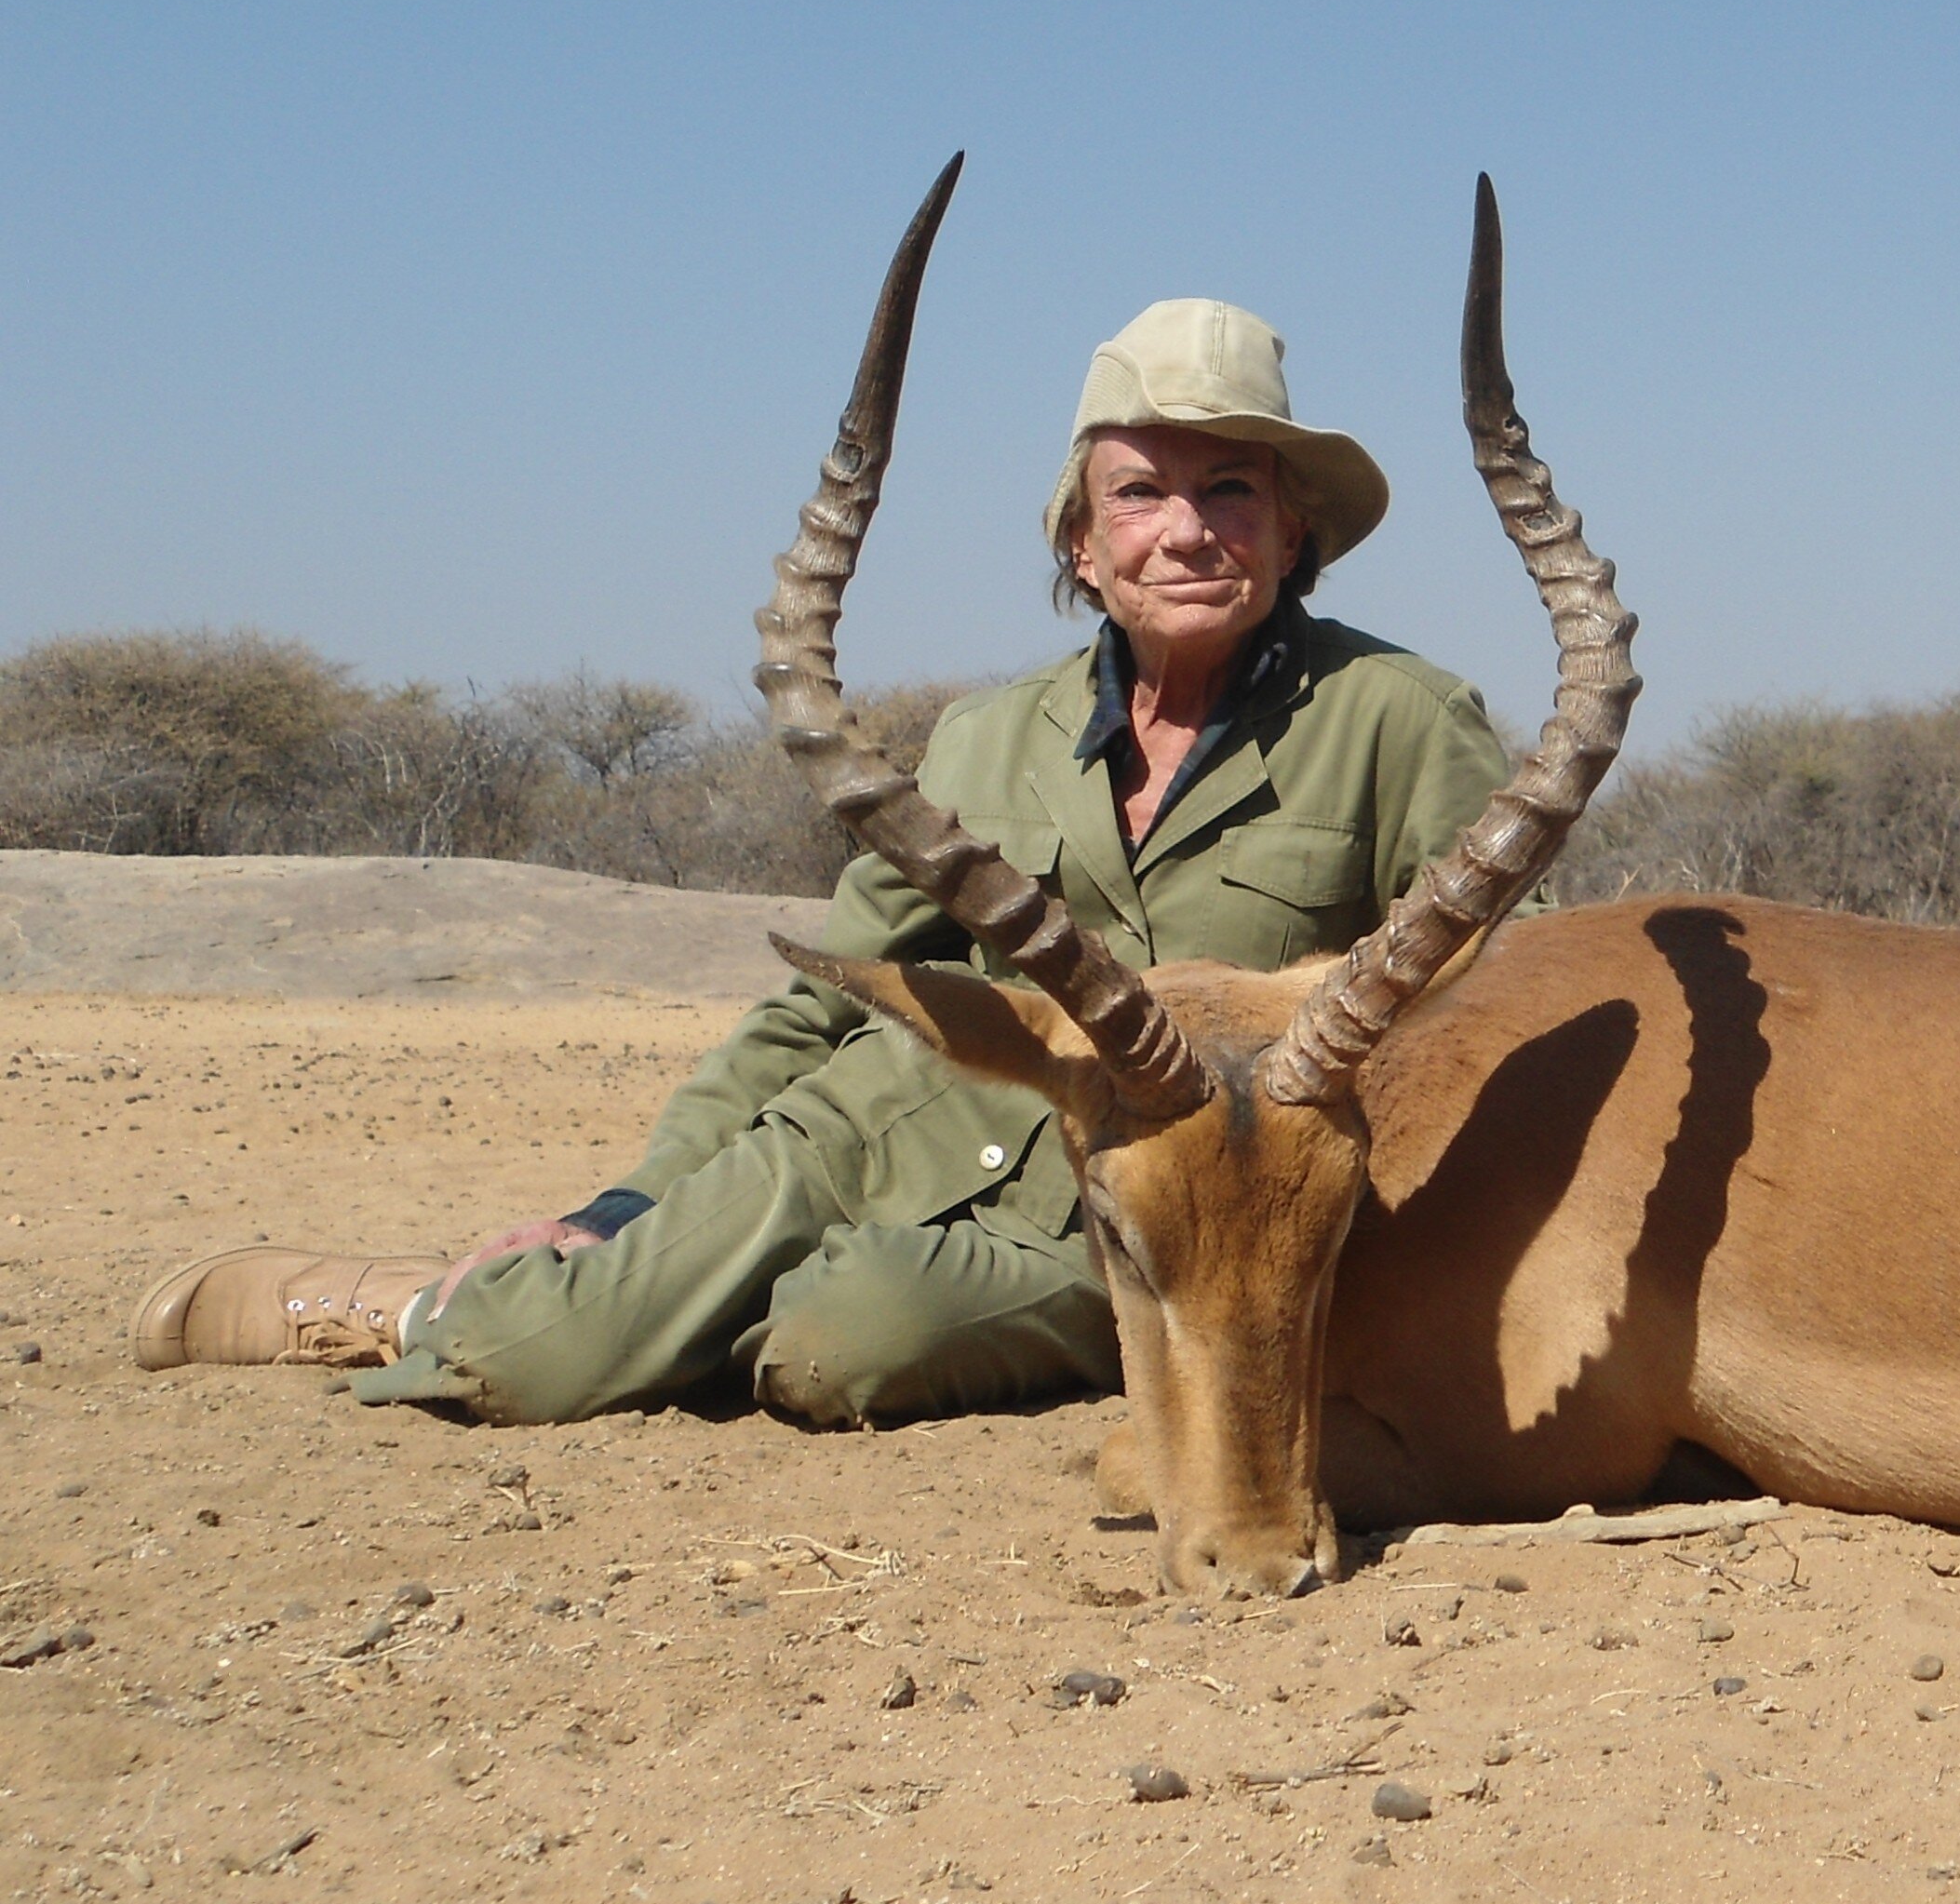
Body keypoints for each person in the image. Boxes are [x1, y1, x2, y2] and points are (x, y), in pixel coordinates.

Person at [129, 297, 1513, 1426]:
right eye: (1140, 492)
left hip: (1154, 1217)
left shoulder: (1402, 718)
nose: (1188, 528)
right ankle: (391, 1308)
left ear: (1292, 528)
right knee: (535, 1362)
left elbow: (1499, 999)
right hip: (873, 1131)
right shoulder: (986, 736)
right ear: (1084, 546)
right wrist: (628, 1206)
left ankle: (690, 1315)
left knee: (840, 1347)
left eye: (1232, 489)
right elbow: (829, 998)